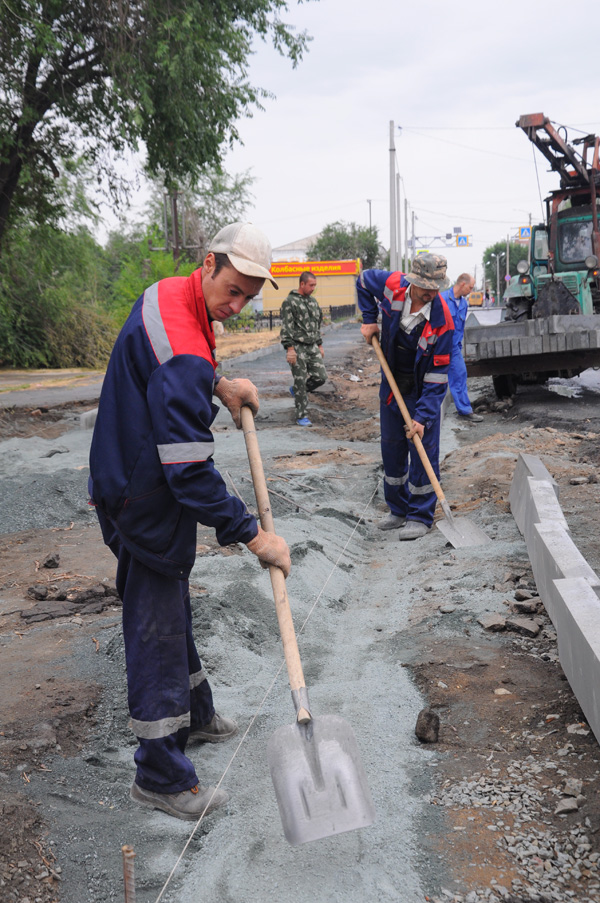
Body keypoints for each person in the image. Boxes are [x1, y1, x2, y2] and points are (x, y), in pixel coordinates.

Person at [88, 222, 292, 821]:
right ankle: (160, 775)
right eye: (232, 290)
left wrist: (221, 385)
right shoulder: (181, 339)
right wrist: (255, 535)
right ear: (209, 263)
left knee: (169, 602)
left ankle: (196, 715)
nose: (237, 305)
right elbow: (191, 474)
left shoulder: (172, 293)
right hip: (141, 494)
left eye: (249, 298)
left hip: (133, 471)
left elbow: (175, 373)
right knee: (155, 622)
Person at [356, 254, 454, 540]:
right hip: (391, 386)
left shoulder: (442, 321)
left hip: (421, 390)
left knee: (423, 452)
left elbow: (437, 377)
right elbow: (362, 281)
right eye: (426, 288)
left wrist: (422, 417)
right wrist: (368, 320)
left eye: (436, 288)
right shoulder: (392, 285)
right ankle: (397, 509)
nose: (431, 294)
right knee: (392, 448)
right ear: (413, 281)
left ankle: (420, 515)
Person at [280, 271, 327, 426]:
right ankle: (301, 415)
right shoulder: (290, 302)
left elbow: (316, 325)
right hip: (298, 347)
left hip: (312, 346)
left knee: (321, 377)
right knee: (300, 381)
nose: (313, 288)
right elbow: (287, 327)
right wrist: (290, 349)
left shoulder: (313, 302)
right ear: (302, 284)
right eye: (311, 285)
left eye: (315, 285)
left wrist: (319, 345)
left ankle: (298, 391)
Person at [440, 273, 483, 423]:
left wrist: (458, 347)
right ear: (462, 284)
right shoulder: (442, 299)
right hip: (438, 346)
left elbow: (460, 328)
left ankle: (464, 410)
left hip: (453, 347)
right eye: (470, 287)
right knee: (431, 378)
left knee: (460, 374)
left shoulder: (464, 304)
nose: (471, 291)